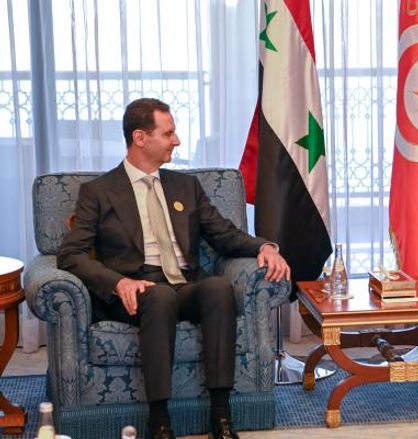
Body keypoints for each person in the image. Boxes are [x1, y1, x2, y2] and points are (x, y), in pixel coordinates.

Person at [58, 98, 291, 439]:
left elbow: (224, 234)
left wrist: (265, 247)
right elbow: (70, 254)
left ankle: (221, 418)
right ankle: (160, 421)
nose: (177, 141)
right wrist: (118, 282)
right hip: (137, 293)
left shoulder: (186, 187)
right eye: (168, 134)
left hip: (184, 285)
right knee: (159, 297)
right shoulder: (99, 192)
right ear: (140, 138)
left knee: (218, 288)